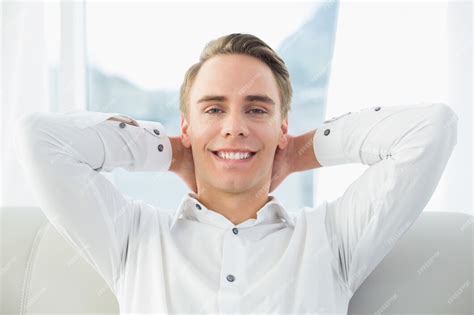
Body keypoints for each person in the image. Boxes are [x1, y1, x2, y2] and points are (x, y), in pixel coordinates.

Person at [14, 33, 458, 314]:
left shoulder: (331, 238)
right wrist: (171, 154)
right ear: (186, 126)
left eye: (256, 110)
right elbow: (42, 140)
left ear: (281, 128)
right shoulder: (134, 239)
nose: (234, 126)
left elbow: (430, 128)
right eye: (213, 109)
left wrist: (298, 153)